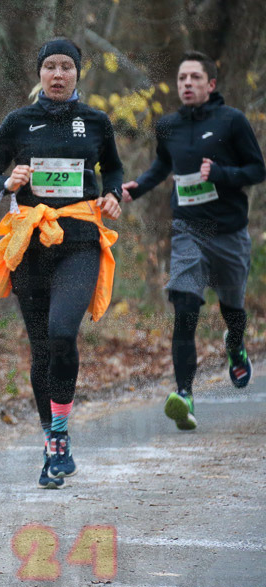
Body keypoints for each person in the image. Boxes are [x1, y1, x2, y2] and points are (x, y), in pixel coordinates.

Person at [0, 38, 123, 489]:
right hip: (30, 247)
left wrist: (112, 194)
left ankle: (58, 431)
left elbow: (112, 168)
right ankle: (52, 439)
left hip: (78, 243)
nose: (58, 75)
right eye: (50, 67)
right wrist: (6, 180)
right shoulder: (19, 122)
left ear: (78, 73)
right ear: (39, 73)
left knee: (61, 333)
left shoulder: (95, 122)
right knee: (41, 349)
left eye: (66, 67)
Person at [121, 50, 265, 430]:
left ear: (210, 84)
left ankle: (235, 345)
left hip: (230, 232)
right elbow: (162, 165)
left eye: (195, 78)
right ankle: (184, 395)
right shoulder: (167, 125)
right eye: (182, 78)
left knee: (232, 306)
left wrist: (221, 173)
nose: (186, 83)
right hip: (189, 229)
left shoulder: (231, 121)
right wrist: (136, 188)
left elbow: (257, 169)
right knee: (185, 307)